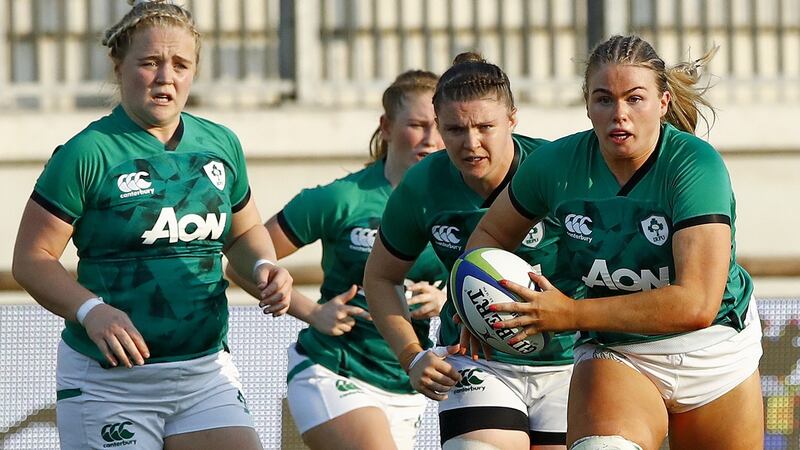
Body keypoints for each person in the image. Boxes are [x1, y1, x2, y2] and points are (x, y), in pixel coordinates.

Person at [11, 1, 293, 449]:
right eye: (150, 63)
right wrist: (92, 311)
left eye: (181, 64)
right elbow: (31, 259)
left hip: (204, 373)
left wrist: (263, 266)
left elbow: (242, 233)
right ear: (119, 66)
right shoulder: (86, 153)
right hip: (110, 383)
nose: (166, 77)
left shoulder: (221, 144)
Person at [466, 35, 764, 450]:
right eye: (604, 99)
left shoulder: (695, 165)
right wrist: (471, 303)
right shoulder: (554, 166)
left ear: (662, 103)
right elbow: (490, 237)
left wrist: (570, 313)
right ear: (587, 104)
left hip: (715, 347)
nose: (618, 114)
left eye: (635, 99)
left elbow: (696, 304)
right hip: (616, 348)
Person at [364, 53, 584, 450]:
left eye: (486, 126)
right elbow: (380, 276)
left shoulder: (557, 171)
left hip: (568, 359)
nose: (471, 143)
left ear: (512, 120)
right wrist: (412, 357)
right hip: (478, 359)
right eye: (454, 129)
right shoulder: (423, 184)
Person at [227, 69, 449, 450]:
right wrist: (312, 312)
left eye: (439, 125)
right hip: (333, 368)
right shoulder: (341, 198)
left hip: (407, 382)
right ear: (387, 126)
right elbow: (241, 263)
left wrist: (446, 301)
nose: (430, 138)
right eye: (416, 124)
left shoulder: (457, 202)